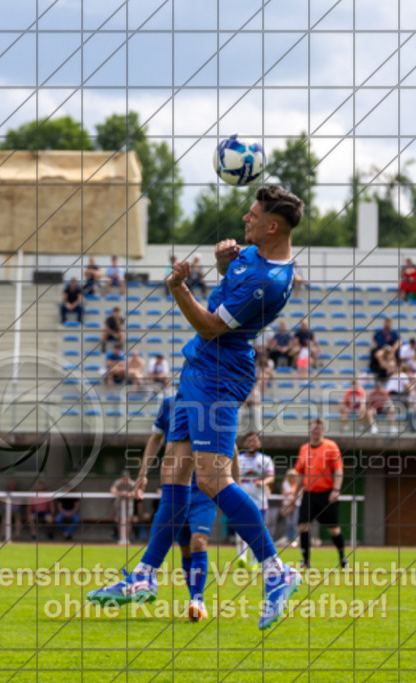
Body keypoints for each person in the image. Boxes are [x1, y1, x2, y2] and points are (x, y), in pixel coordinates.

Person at [87, 185, 305, 631]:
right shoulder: (252, 256)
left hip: (218, 375)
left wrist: (177, 286)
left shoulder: (270, 281)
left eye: (252, 215)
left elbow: (209, 326)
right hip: (198, 370)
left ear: (272, 225)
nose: (244, 220)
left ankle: (277, 571)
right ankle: (143, 577)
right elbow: (227, 291)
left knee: (211, 478)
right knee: (175, 473)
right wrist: (225, 265)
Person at [128, 393, 230, 621]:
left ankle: (198, 600)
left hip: (204, 488)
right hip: (176, 487)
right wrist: (143, 473)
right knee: (184, 548)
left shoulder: (213, 402)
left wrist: (234, 486)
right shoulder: (169, 405)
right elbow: (155, 439)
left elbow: (230, 445)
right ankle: (193, 597)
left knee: (198, 541)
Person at [295, 418, 347, 570]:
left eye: (318, 429)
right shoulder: (304, 449)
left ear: (322, 430)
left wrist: (336, 490)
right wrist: (296, 492)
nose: (316, 431)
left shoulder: (331, 447)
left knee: (333, 529)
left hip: (326, 494)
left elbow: (338, 470)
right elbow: (300, 472)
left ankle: (342, 557)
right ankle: (306, 561)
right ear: (309, 430)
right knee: (303, 526)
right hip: (309, 493)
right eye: (313, 428)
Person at [234, 431, 276, 569]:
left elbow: (271, 477)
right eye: (249, 440)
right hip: (242, 500)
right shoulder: (238, 459)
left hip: (260, 501)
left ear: (259, 443)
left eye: (255, 440)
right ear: (245, 443)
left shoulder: (265, 459)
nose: (252, 443)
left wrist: (263, 482)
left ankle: (253, 562)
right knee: (241, 530)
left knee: (258, 531)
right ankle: (242, 558)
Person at [110, 471, 136, 543]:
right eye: (124, 479)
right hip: (119, 505)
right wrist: (120, 493)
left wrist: (129, 494)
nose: (125, 480)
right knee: (120, 521)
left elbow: (136, 491)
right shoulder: (117, 482)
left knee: (128, 521)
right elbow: (112, 490)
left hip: (129, 504)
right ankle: (121, 538)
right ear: (121, 478)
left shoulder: (132, 483)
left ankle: (127, 538)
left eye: (127, 479)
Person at [278, 469, 300, 547]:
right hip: (287, 506)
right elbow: (284, 493)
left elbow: (299, 493)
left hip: (296, 505)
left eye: (293, 476)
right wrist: (291, 494)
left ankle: (294, 539)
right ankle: (289, 539)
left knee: (294, 522)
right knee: (288, 523)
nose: (292, 477)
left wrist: (292, 497)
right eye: (290, 476)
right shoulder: (285, 483)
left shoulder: (298, 483)